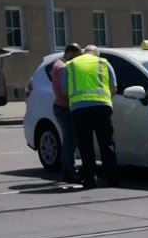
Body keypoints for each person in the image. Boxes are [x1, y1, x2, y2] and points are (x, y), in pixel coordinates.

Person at [64, 44, 118, 189]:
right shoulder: (104, 63)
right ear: (97, 54)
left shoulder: (71, 64)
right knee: (106, 143)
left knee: (85, 145)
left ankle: (90, 179)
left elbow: (65, 89)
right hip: (102, 107)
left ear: (83, 52)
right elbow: (113, 88)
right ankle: (111, 178)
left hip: (79, 109)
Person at [50, 41, 82, 188]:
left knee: (68, 140)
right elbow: (66, 89)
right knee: (70, 141)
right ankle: (70, 171)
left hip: (59, 106)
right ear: (70, 53)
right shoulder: (63, 67)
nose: (77, 59)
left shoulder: (56, 64)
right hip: (65, 106)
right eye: (76, 56)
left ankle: (67, 169)